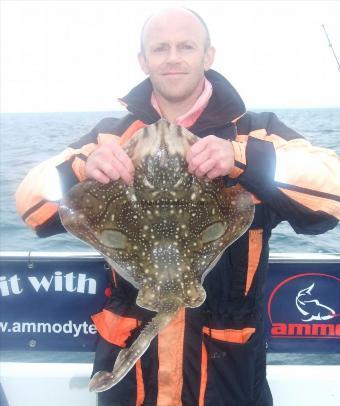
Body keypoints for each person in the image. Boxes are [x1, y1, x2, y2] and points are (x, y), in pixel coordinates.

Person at [16, 7, 340, 406]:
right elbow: (31, 206)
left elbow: (333, 193)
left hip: (227, 375)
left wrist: (244, 159)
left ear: (208, 56)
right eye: (160, 48)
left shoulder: (255, 132)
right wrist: (80, 168)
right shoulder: (109, 137)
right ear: (143, 60)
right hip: (133, 382)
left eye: (186, 46)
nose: (172, 57)